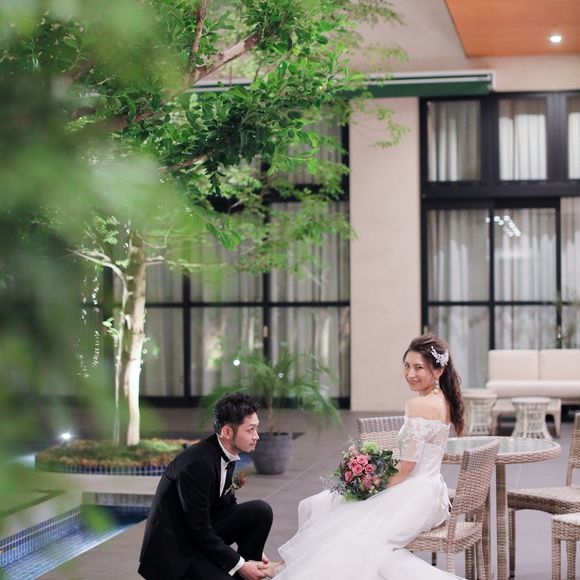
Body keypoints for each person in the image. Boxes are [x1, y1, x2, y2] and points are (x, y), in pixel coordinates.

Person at [263, 334, 466, 580]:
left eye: (418, 367)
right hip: (433, 494)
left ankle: (288, 569)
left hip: (414, 493)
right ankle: (287, 567)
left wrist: (371, 488)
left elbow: (407, 466)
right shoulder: (444, 401)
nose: (410, 373)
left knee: (347, 525)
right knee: (335, 509)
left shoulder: (418, 405)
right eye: (407, 366)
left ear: (439, 371)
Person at [138, 392, 273, 580]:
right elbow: (199, 529)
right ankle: (241, 571)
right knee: (236, 566)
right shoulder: (198, 465)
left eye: (256, 428)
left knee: (260, 511)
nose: (256, 436)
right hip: (176, 553)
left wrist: (253, 546)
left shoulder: (226, 452)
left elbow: (226, 508)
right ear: (227, 432)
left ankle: (248, 571)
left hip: (198, 536)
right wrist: (240, 564)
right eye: (250, 430)